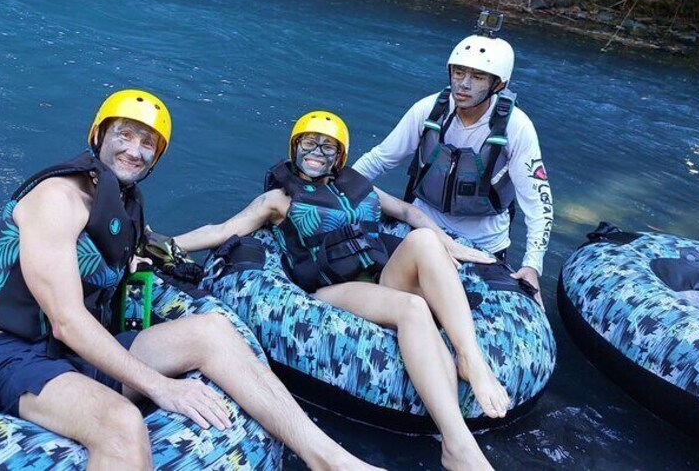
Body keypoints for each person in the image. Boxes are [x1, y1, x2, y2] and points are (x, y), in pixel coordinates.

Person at [0, 90, 380, 471]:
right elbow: (66, 321)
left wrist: (227, 231)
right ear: (98, 135)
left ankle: (330, 458)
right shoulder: (58, 198)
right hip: (14, 356)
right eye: (124, 135)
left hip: (78, 354)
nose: (134, 150)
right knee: (122, 423)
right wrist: (161, 387)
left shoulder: (122, 201)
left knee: (213, 331)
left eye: (148, 143)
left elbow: (147, 255)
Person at [175, 110, 508, 471]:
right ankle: (457, 444)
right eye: (309, 143)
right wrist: (161, 243)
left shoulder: (359, 185)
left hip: (378, 279)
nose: (317, 151)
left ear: (341, 156)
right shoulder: (278, 200)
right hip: (332, 291)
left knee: (425, 240)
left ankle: (469, 356)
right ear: (294, 147)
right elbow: (222, 230)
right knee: (413, 308)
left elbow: (409, 213)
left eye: (327, 146)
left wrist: (449, 243)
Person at [353, 25, 554, 307]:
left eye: (478, 76)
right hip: (421, 230)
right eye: (459, 72)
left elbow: (538, 203)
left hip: (484, 243)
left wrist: (532, 265)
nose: (464, 84)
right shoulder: (429, 109)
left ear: (499, 84)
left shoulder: (516, 127)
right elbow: (380, 159)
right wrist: (337, 192)